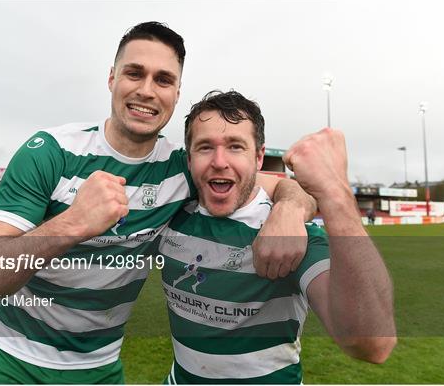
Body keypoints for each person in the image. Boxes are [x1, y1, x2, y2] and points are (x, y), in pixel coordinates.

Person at [0, 23, 316, 384]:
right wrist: (72, 224)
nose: (147, 91)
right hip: (11, 363)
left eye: (163, 80)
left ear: (176, 94)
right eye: (134, 73)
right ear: (112, 79)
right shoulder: (51, 153)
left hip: (100, 369)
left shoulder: (182, 167)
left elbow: (274, 185)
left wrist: (289, 209)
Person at [158, 90, 397, 384]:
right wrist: (294, 199)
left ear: (258, 157)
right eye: (205, 147)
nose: (220, 161)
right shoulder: (170, 213)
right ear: (189, 158)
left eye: (236, 147)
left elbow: (372, 345)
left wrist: (335, 195)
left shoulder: (293, 236)